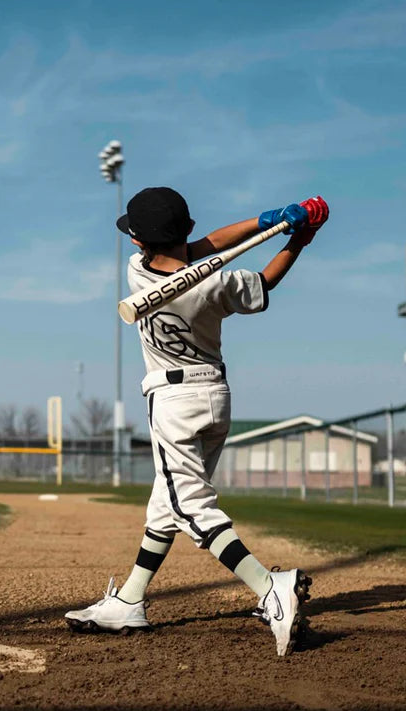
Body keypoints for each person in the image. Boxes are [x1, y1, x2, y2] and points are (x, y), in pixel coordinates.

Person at [65, 187, 328, 657]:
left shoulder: (136, 272)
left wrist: (272, 221)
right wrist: (295, 240)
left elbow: (204, 246)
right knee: (165, 505)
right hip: (216, 396)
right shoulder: (219, 284)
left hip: (173, 401)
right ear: (185, 230)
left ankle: (271, 587)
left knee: (191, 508)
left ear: (141, 243)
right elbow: (262, 283)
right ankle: (129, 599)